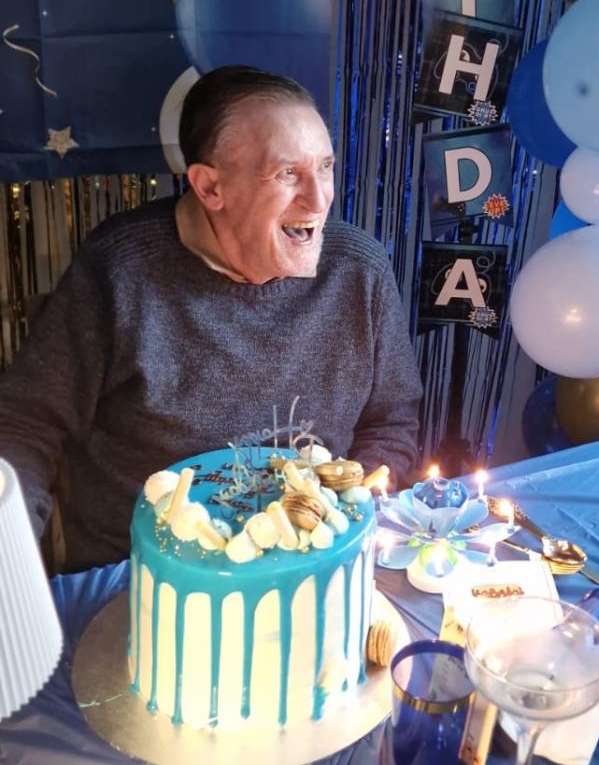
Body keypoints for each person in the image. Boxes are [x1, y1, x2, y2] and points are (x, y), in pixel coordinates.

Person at [0, 66, 423, 572]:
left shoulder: (359, 271)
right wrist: (11, 568)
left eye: (325, 167)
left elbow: (391, 421)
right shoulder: (120, 271)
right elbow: (25, 427)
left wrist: (351, 510)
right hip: (138, 577)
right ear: (209, 187)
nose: (319, 199)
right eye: (287, 173)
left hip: (312, 566)